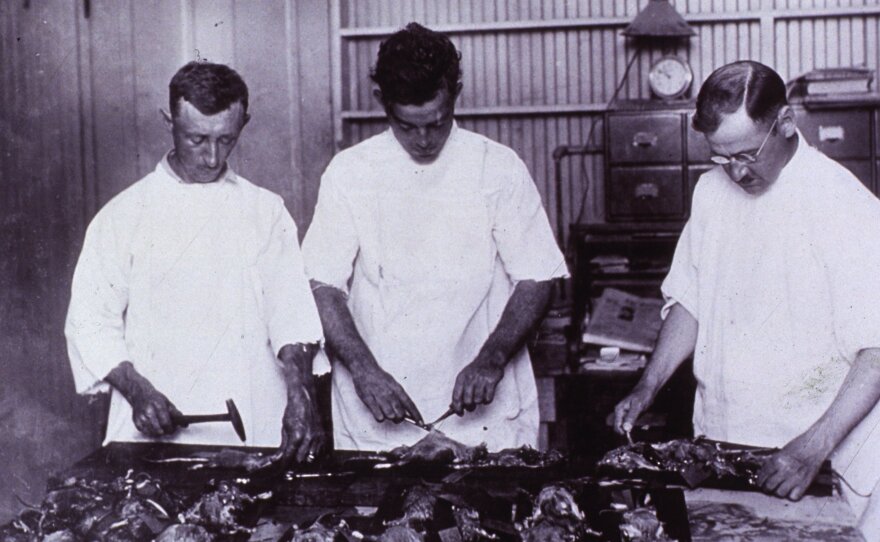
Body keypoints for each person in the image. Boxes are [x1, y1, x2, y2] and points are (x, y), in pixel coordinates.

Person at [610, 60, 880, 540]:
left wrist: (812, 447)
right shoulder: (711, 193)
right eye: (721, 156)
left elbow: (876, 351)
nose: (736, 171)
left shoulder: (844, 205)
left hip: (813, 458)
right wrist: (646, 387)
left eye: (747, 154)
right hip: (723, 446)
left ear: (786, 123)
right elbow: (691, 301)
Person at [302, 22, 568, 452]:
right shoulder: (351, 173)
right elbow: (322, 285)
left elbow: (538, 278)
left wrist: (491, 359)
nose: (424, 140)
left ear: (455, 95)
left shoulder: (497, 168)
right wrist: (365, 372)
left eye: (437, 123)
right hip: (380, 413)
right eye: (407, 126)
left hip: (484, 418)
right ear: (381, 104)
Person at [65, 61, 325, 465]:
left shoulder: (265, 211)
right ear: (169, 121)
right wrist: (138, 392)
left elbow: (291, 315)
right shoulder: (123, 216)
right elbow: (91, 322)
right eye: (197, 139)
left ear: (244, 123)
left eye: (227, 140)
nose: (211, 158)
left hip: (255, 429)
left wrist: (300, 394)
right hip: (153, 432)